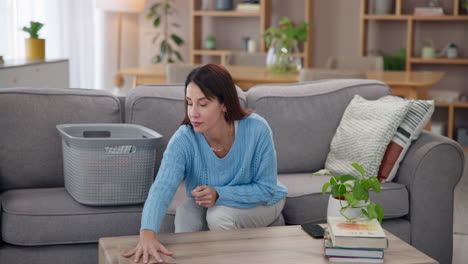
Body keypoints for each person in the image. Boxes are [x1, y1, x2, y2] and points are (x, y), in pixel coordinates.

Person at [123, 64, 288, 264]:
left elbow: (267, 189)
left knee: (219, 217)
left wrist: (219, 193)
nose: (193, 113)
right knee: (185, 213)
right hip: (211, 201)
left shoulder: (257, 129)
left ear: (224, 104)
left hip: (264, 200)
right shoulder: (184, 138)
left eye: (203, 104)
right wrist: (147, 235)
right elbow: (162, 188)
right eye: (189, 103)